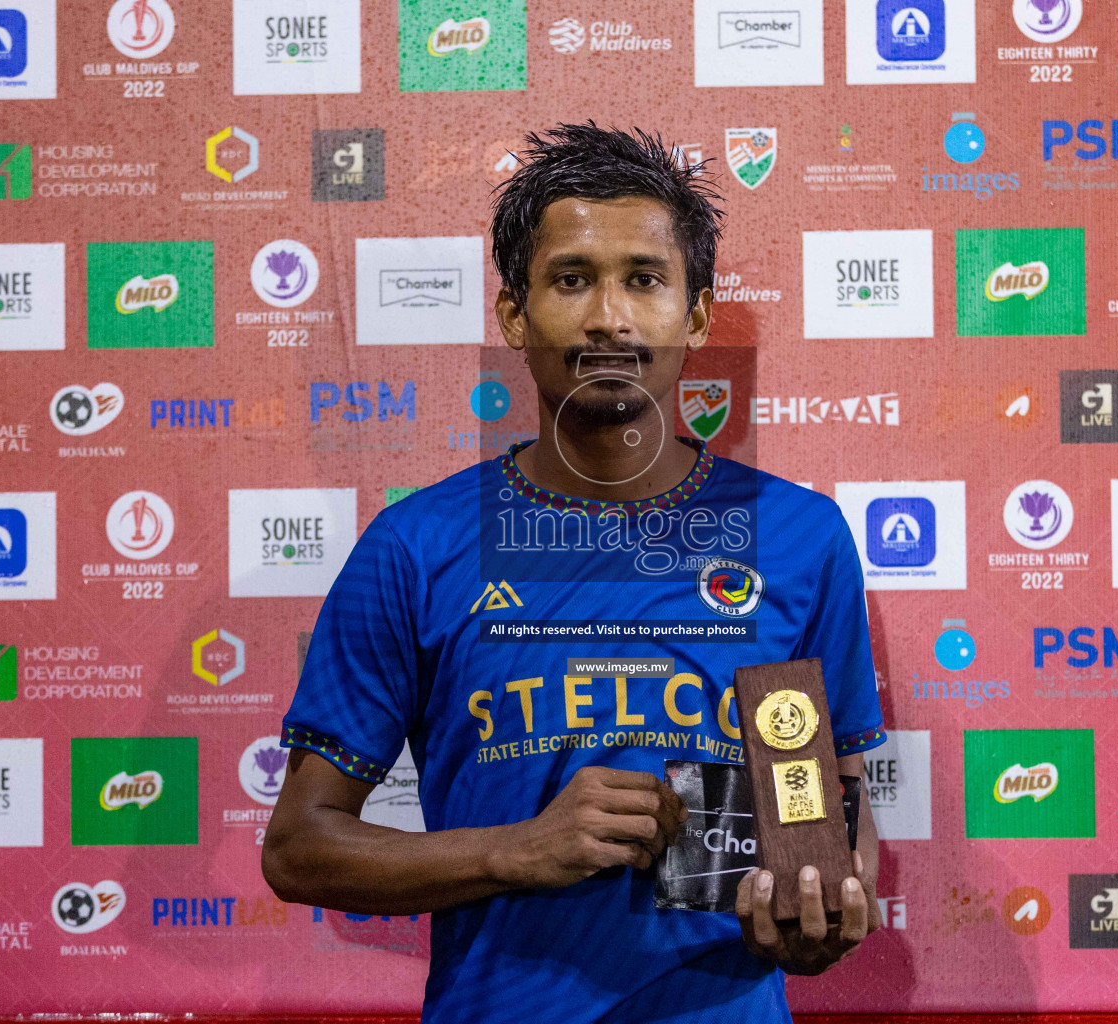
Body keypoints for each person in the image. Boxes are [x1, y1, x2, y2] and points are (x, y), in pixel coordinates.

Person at [262, 123, 888, 1024]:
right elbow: (297, 848)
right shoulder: (416, 544)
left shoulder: (799, 535)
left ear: (697, 313)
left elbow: (834, 806)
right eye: (571, 280)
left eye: (644, 279)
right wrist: (514, 850)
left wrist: (819, 913)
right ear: (514, 313)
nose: (609, 317)